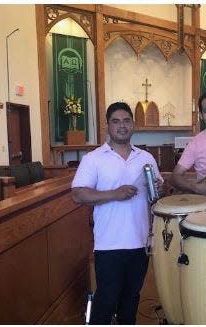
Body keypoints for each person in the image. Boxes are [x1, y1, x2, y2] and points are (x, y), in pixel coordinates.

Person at [71, 102, 163, 324]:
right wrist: (114, 194)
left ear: (133, 124)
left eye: (126, 121)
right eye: (116, 121)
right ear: (107, 126)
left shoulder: (146, 158)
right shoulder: (93, 158)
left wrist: (158, 188)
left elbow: (154, 198)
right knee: (106, 300)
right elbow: (78, 194)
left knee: (131, 301)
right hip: (109, 245)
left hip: (139, 243)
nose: (122, 126)